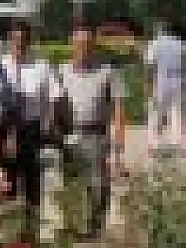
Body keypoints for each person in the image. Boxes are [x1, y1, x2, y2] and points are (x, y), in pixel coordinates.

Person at [55, 24, 127, 238]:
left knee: (98, 184)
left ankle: (95, 228)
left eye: (87, 44)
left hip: (96, 135)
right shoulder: (60, 71)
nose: (83, 48)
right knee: (70, 182)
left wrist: (119, 140)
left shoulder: (107, 71)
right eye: (78, 44)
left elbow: (119, 106)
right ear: (71, 45)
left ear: (94, 45)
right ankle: (71, 226)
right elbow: (53, 103)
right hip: (69, 134)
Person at [0, 20, 56, 224]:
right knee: (8, 185)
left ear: (29, 41)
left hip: (32, 130)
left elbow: (53, 97)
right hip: (5, 131)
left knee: (33, 185)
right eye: (15, 39)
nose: (19, 44)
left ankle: (32, 229)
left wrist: (48, 126)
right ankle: (10, 230)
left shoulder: (42, 66)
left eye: (23, 39)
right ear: (9, 40)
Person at [144, 18, 186, 150]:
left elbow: (150, 66)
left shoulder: (154, 44)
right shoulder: (181, 45)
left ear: (160, 30)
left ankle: (154, 143)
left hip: (160, 82)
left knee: (155, 112)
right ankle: (176, 142)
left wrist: (147, 84)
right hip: (178, 83)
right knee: (176, 113)